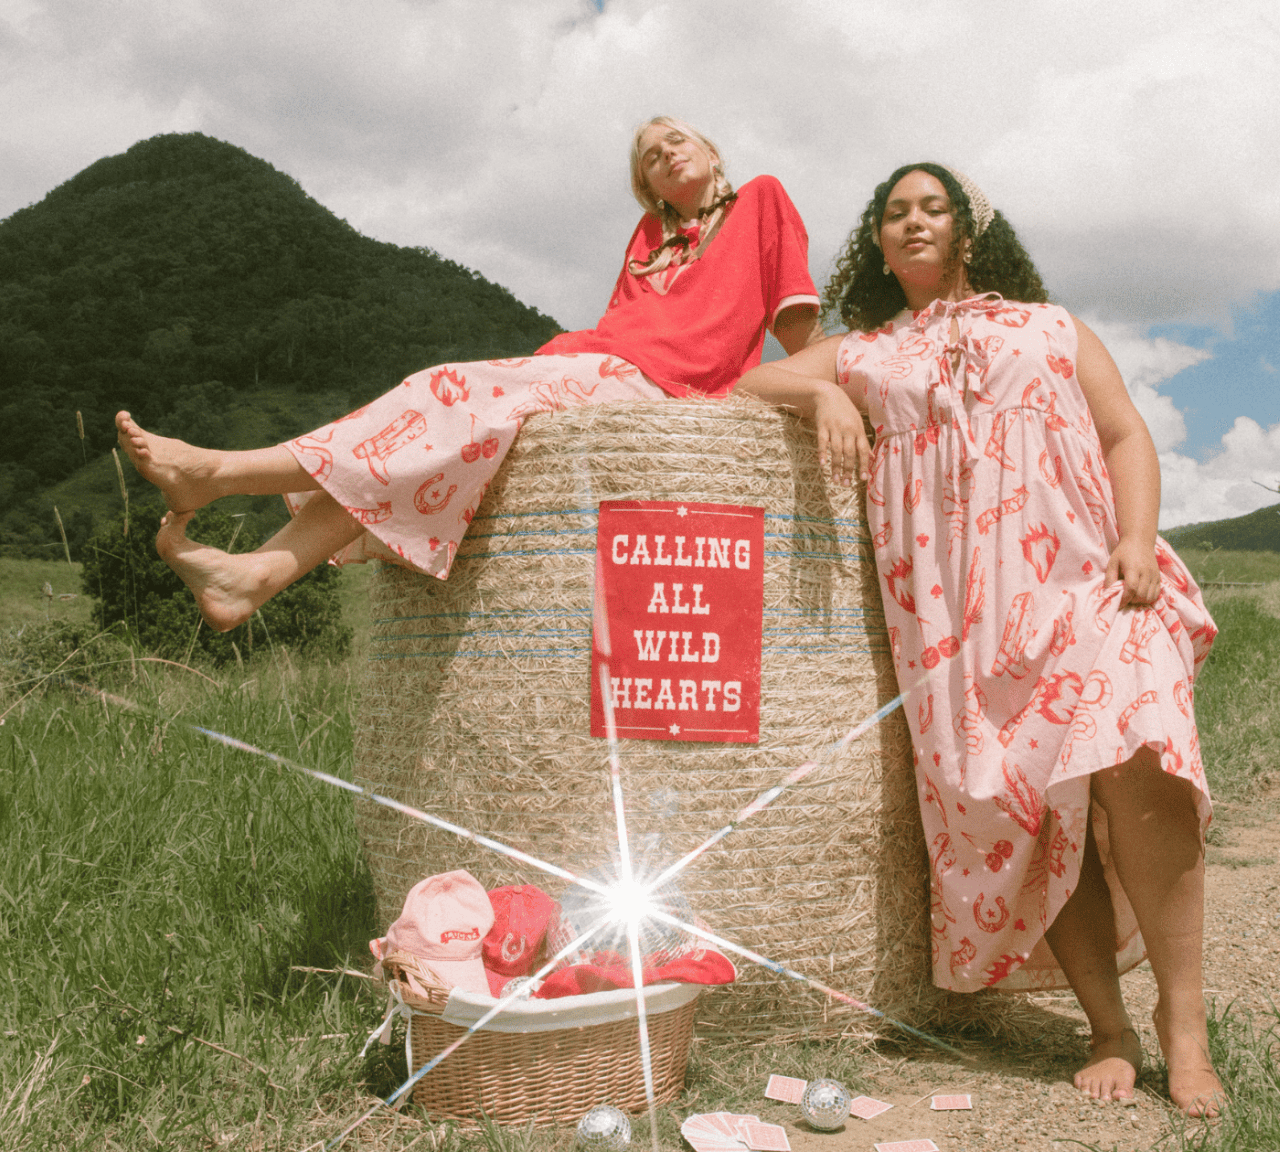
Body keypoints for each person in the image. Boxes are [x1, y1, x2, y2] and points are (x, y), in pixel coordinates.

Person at [736, 164, 1224, 1116]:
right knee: (1035, 816)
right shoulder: (866, 354)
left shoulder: (1050, 327)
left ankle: (1185, 1027)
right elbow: (756, 376)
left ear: (970, 230)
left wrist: (1134, 537)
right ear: (877, 244)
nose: (912, 222)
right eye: (893, 213)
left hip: (1088, 582)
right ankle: (1109, 1030)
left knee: (1141, 765)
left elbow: (1125, 434)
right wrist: (821, 397)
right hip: (957, 627)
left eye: (933, 207)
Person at [116, 116, 820, 631]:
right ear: (647, 188)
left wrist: (833, 391)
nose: (665, 153)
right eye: (649, 158)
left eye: (676, 140)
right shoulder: (647, 242)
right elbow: (616, 331)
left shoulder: (761, 199)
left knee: (442, 392)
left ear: (710, 150)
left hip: (661, 386)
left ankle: (221, 473)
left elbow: (797, 329)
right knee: (434, 440)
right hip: (597, 366)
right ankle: (254, 578)